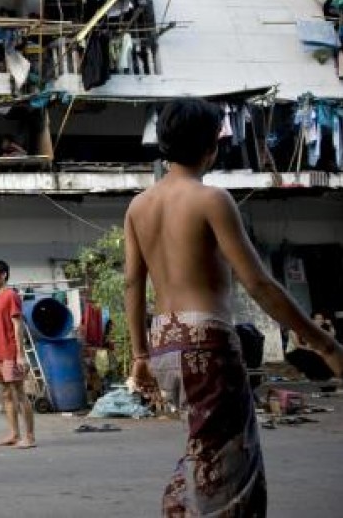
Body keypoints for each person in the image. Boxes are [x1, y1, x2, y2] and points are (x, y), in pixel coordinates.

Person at [123, 97, 343, 516]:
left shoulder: (139, 206)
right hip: (207, 343)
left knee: (204, 451)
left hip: (165, 344)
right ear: (212, 146)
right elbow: (257, 281)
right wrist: (323, 344)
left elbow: (133, 283)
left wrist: (139, 355)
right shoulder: (211, 199)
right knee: (230, 470)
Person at [0, 260, 35, 449]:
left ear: (4, 274)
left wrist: (20, 355)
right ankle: (14, 434)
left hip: (11, 353)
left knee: (20, 393)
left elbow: (18, 326)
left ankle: (29, 437)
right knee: (6, 394)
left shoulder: (11, 295)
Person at [285, 312, 338, 382]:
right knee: (312, 355)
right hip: (293, 352)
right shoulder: (293, 330)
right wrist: (313, 349)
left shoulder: (313, 330)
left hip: (306, 350)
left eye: (321, 319)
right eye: (318, 319)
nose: (320, 321)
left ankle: (324, 376)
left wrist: (330, 325)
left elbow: (331, 336)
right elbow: (297, 345)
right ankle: (313, 375)